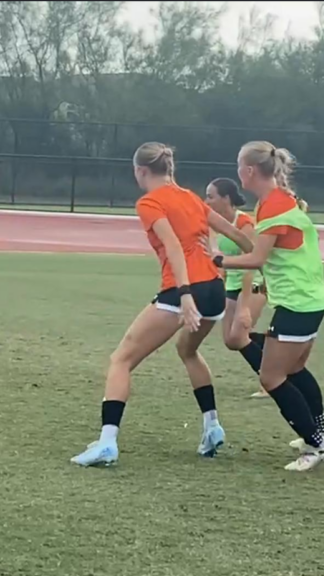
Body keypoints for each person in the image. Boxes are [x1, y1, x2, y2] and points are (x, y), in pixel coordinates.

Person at [71, 142, 254, 467]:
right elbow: (240, 236)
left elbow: (172, 245)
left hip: (185, 290)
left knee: (121, 360)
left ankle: (106, 442)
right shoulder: (190, 197)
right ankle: (212, 426)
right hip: (214, 289)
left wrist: (184, 295)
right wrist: (222, 259)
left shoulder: (150, 202)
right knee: (188, 350)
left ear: (141, 171)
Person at [212, 141, 324, 472]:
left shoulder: (272, 207)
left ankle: (316, 444)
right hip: (309, 299)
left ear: (249, 171)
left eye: (239, 165)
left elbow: (256, 257)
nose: (238, 171)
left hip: (297, 303)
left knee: (272, 376)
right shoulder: (280, 199)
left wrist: (216, 259)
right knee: (293, 370)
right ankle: (322, 433)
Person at [204, 177, 270, 399]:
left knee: (239, 334)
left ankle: (271, 380)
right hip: (231, 284)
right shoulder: (217, 223)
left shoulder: (244, 223)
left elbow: (252, 261)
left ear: (226, 198)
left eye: (211, 196)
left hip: (254, 283)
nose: (207, 200)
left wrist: (243, 306)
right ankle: (277, 347)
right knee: (232, 340)